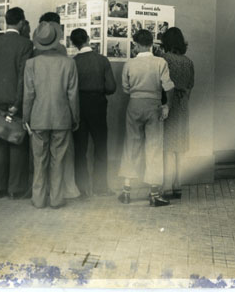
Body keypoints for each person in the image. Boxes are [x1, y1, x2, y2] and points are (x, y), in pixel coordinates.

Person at [23, 21, 80, 209]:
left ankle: (39, 199)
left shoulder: (31, 64)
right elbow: (72, 95)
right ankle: (56, 199)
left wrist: (26, 117)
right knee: (59, 160)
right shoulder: (69, 63)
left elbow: (28, 94)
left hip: (38, 118)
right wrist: (75, 117)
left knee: (39, 160)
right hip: (62, 118)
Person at [0, 7, 32, 199]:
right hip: (15, 100)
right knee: (17, 143)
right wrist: (17, 102)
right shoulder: (25, 44)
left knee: (0, 143)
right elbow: (23, 77)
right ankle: (14, 189)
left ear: (5, 21)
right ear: (21, 22)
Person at [118, 29, 174, 207]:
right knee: (154, 147)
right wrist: (167, 105)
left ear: (135, 44)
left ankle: (126, 191)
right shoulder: (160, 62)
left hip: (134, 105)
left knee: (131, 145)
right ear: (151, 44)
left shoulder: (129, 63)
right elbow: (168, 86)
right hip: (154, 105)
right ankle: (154, 194)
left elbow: (125, 88)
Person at [70, 28, 116, 197]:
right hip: (98, 105)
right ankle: (101, 187)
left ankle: (82, 188)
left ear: (73, 43)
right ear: (88, 38)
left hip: (78, 105)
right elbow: (111, 87)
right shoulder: (102, 60)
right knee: (100, 146)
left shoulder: (73, 62)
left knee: (80, 148)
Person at [159, 27, 194, 199]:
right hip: (183, 105)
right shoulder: (188, 61)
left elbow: (161, 83)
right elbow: (190, 86)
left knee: (167, 146)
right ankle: (177, 184)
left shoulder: (165, 58)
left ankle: (166, 185)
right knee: (180, 147)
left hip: (169, 103)